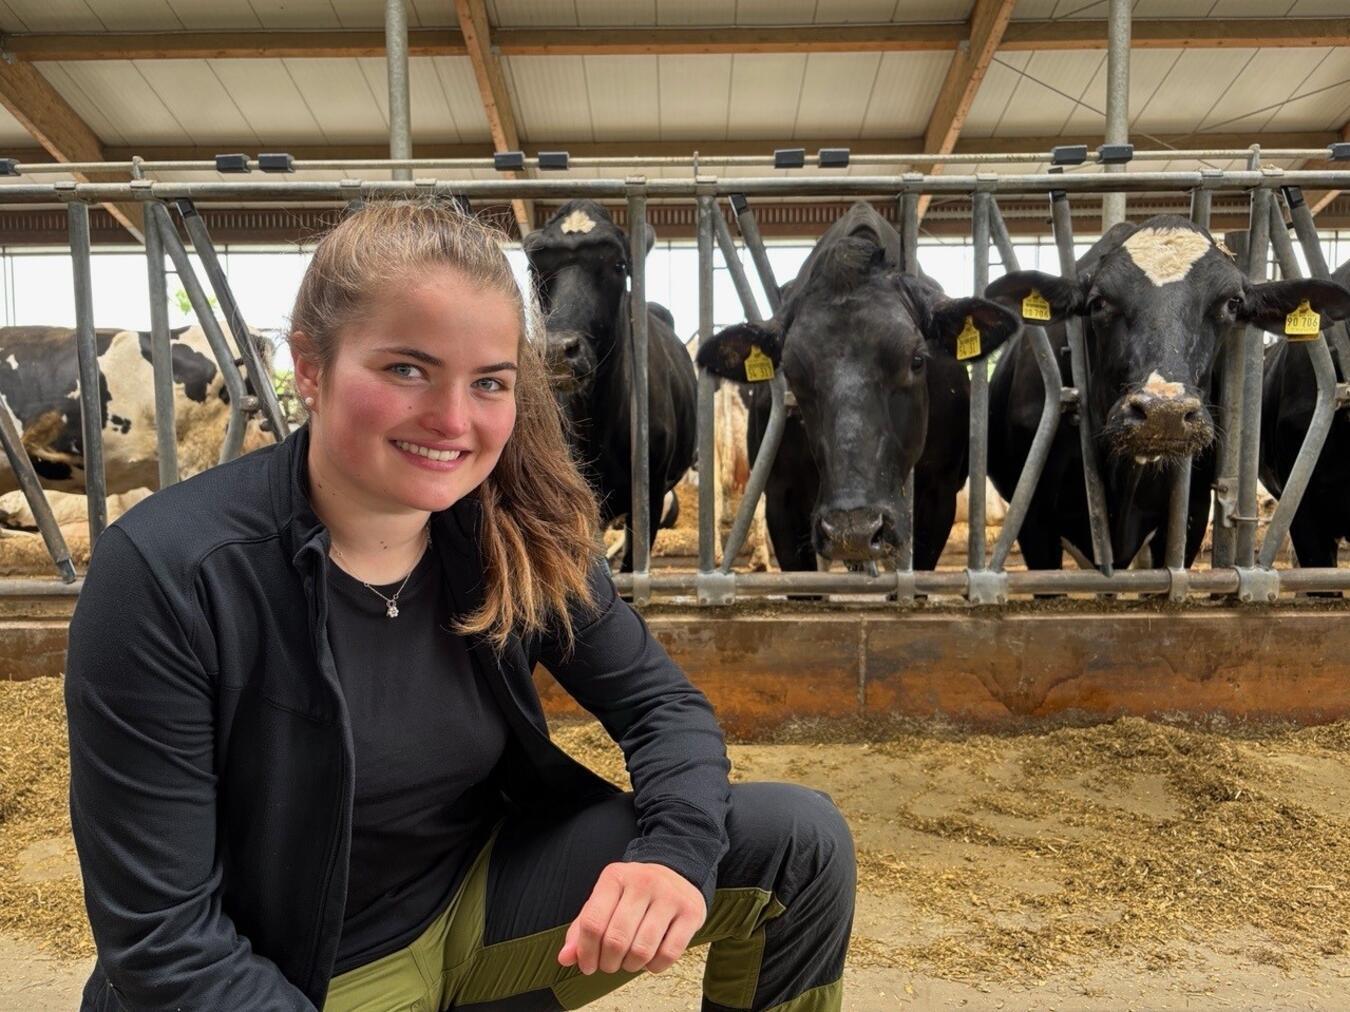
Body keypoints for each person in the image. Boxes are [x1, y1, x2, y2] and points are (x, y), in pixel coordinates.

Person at [64, 200, 855, 1012]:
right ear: (310, 367)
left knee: (800, 843)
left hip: (474, 919)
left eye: (489, 383)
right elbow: (165, 940)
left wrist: (673, 854)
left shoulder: (515, 530)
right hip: (289, 978)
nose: (452, 421)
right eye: (406, 370)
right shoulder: (169, 573)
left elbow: (662, 707)